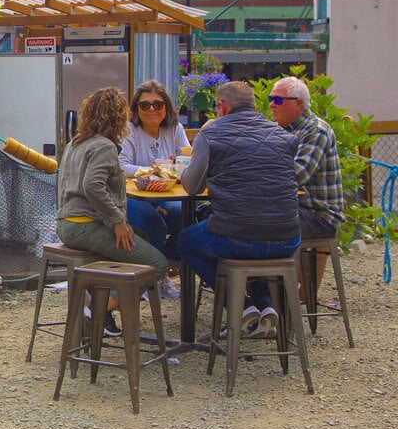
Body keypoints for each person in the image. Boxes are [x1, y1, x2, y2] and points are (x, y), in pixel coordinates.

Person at [177, 81, 301, 339]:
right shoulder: (284, 136)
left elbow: (191, 187)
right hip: (288, 239)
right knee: (250, 240)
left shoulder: (211, 135)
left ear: (222, 106)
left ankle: (240, 305)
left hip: (235, 237)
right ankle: (266, 306)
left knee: (186, 241)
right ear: (254, 105)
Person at [56, 86, 168, 337]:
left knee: (143, 239)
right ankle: (98, 308)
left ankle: (102, 304)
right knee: (156, 263)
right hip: (85, 224)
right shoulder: (105, 146)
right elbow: (93, 185)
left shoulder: (77, 142)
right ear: (118, 116)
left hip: (67, 223)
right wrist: (117, 220)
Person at [119, 80, 189, 299]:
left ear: (166, 107)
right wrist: (156, 170)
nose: (151, 110)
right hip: (134, 194)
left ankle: (164, 267)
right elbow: (121, 165)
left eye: (157, 105)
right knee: (153, 224)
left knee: (185, 216)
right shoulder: (129, 130)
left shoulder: (175, 128)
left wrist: (172, 168)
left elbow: (186, 159)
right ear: (136, 110)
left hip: (166, 192)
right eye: (145, 105)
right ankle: (155, 279)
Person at [268, 76, 343, 239]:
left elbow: (297, 175)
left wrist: (256, 180)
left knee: (254, 224)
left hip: (319, 214)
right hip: (291, 207)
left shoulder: (316, 130)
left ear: (299, 104)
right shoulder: (279, 129)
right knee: (239, 217)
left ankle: (278, 265)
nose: (272, 104)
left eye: (278, 100)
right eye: (271, 99)